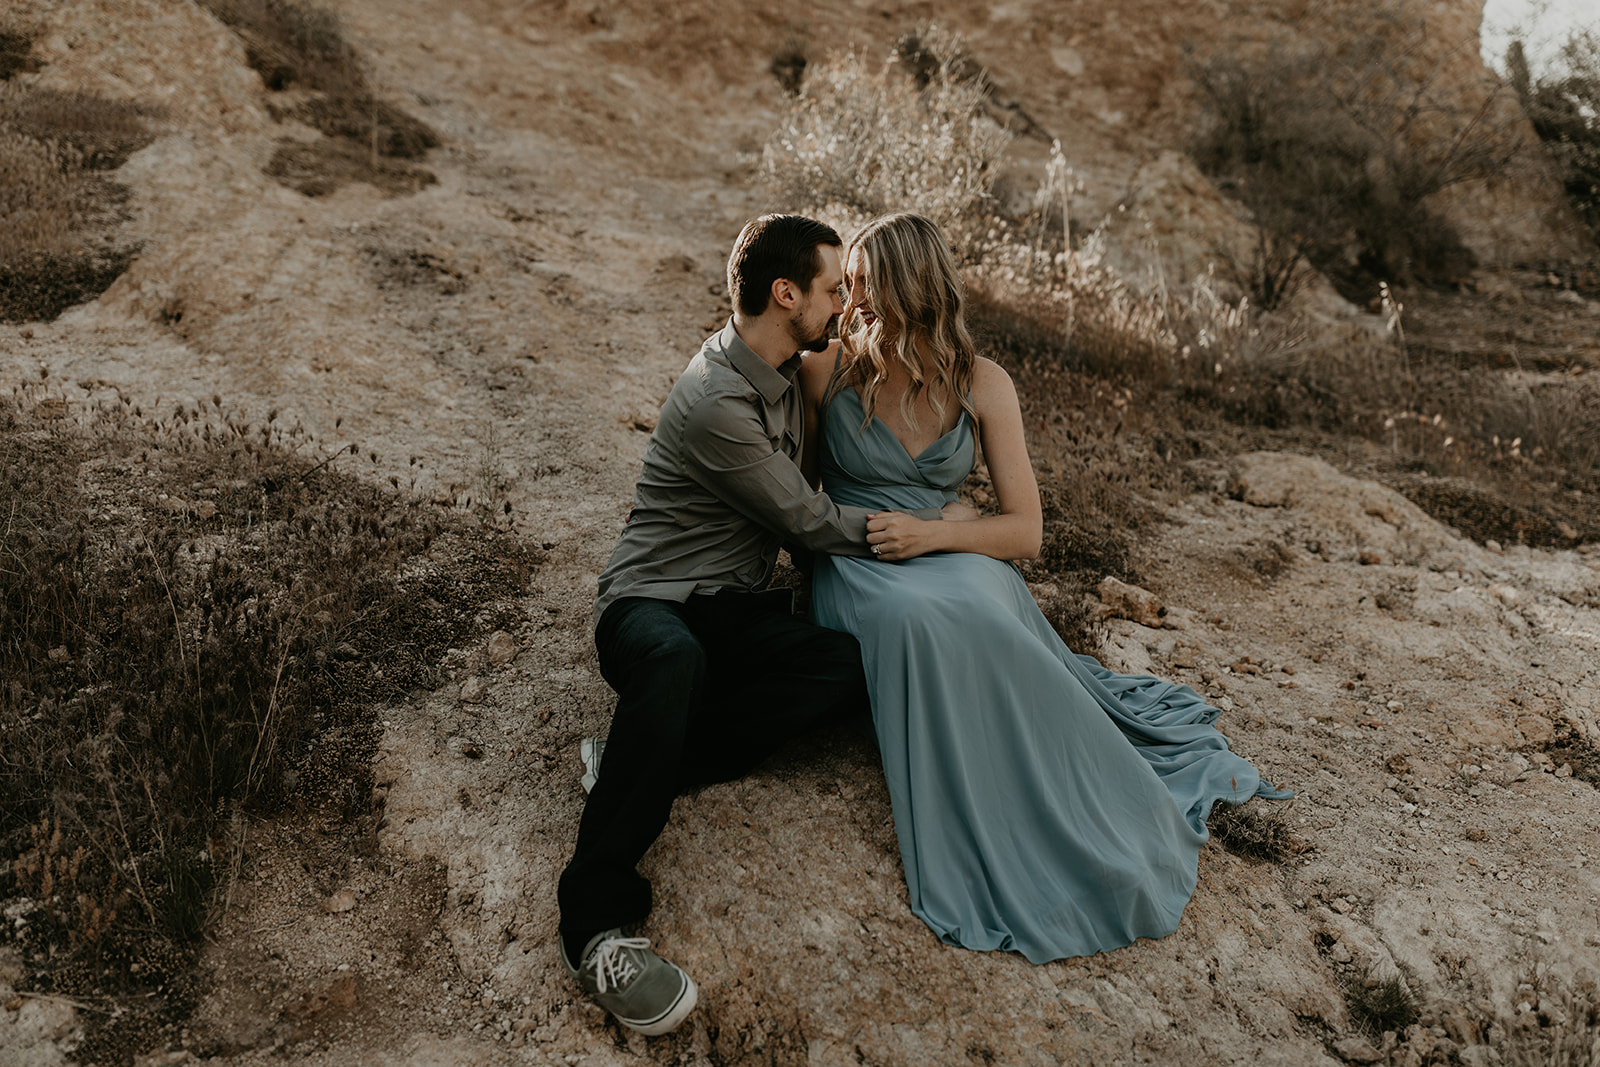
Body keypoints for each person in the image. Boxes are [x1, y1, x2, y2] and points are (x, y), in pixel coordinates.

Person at [798, 212, 1291, 963]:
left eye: (864, 282)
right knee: (920, 619)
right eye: (848, 283)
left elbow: (1025, 531)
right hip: (860, 558)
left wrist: (936, 529)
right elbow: (795, 498)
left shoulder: (983, 383)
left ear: (909, 287)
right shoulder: (824, 370)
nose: (849, 299)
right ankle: (975, 811)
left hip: (946, 547)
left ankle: (1067, 792)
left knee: (984, 607)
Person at [556, 213, 964, 1034]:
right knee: (673, 666)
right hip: (652, 603)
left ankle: (641, 756)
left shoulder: (785, 366)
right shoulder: (718, 400)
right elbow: (810, 521)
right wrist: (923, 533)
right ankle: (595, 928)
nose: (844, 304)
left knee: (845, 665)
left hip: (730, 605)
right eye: (830, 289)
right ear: (786, 295)